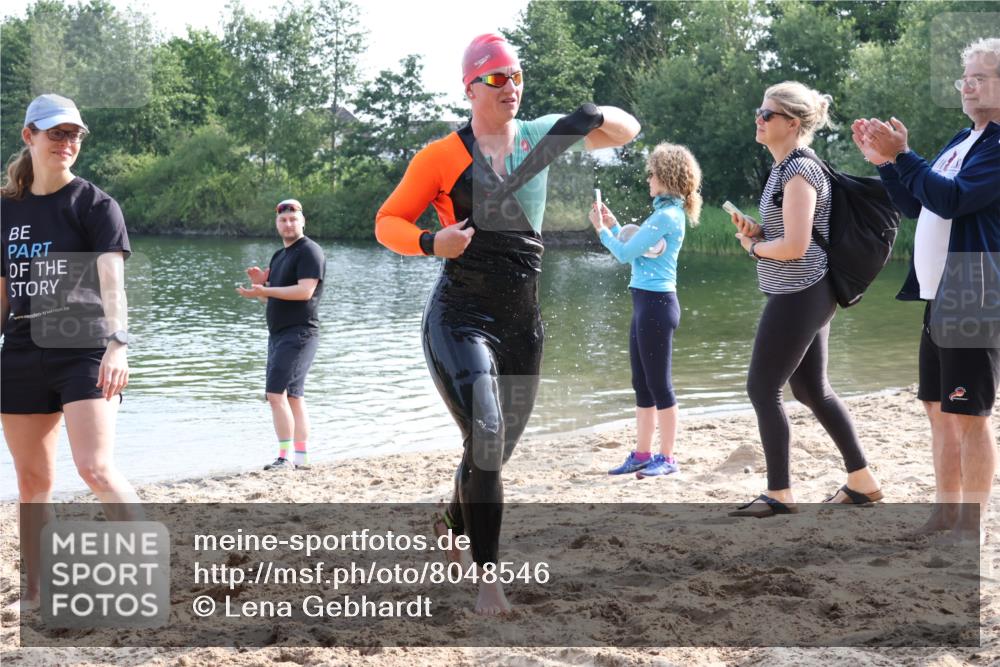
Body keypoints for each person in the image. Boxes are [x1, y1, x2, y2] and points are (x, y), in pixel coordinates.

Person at [375, 33, 639, 614]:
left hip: (523, 325)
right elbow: (386, 222)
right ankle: (488, 582)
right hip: (459, 317)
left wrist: (596, 114)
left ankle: (450, 519)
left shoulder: (540, 135)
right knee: (487, 435)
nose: (510, 87)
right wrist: (429, 240)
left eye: (516, 76)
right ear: (469, 89)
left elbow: (627, 131)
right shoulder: (442, 155)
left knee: (491, 447)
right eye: (496, 79)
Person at [852, 38, 1000, 543]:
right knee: (938, 409)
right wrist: (887, 163)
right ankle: (943, 514)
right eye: (965, 76)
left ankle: (970, 527)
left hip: (974, 292)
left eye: (980, 76)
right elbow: (921, 204)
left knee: (970, 414)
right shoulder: (963, 140)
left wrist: (907, 155)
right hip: (940, 294)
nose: (968, 84)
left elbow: (954, 199)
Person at [1, 94, 139, 609]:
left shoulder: (96, 205)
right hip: (19, 354)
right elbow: (3, 290)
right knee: (33, 483)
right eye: (56, 133)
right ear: (29, 136)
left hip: (84, 350)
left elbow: (112, 285)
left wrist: (118, 346)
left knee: (95, 468)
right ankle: (37, 594)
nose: (67, 143)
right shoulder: (6, 210)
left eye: (74, 134)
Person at [727, 82, 881, 518]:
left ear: (793, 123)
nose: (758, 118)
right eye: (759, 111)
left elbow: (796, 246)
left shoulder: (799, 172)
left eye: (768, 114)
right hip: (804, 288)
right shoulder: (783, 169)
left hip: (802, 289)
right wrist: (759, 231)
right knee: (811, 387)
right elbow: (794, 235)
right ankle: (862, 481)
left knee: (762, 388)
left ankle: (780, 493)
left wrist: (755, 248)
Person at [589, 143, 702, 478]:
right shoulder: (664, 214)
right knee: (642, 382)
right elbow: (641, 249)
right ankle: (642, 453)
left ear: (666, 176)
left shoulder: (667, 215)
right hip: (646, 305)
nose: (648, 179)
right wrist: (615, 225)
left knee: (659, 384)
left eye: (652, 173)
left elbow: (624, 254)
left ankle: (667, 458)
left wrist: (601, 229)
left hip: (656, 306)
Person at [237, 199, 325, 471]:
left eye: (293, 219)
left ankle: (284, 458)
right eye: (283, 220)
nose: (288, 224)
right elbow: (272, 300)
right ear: (277, 224)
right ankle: (302, 458)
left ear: (302, 221)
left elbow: (304, 292)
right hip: (279, 335)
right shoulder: (279, 256)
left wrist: (266, 290)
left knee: (275, 395)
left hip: (300, 333)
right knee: (293, 396)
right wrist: (259, 288)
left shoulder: (310, 251)